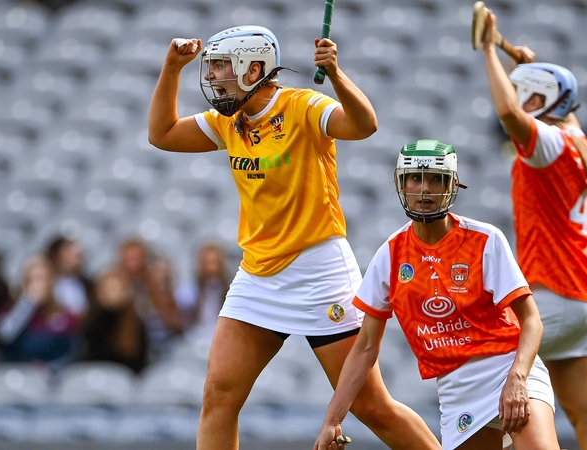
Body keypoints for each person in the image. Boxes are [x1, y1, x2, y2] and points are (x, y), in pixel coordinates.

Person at [148, 25, 440, 450]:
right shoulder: (229, 122)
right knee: (218, 396)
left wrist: (337, 74)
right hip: (258, 275)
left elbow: (364, 125)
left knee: (370, 407)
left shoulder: (303, 106)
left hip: (319, 270)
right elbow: (162, 134)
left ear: (253, 69)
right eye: (209, 69)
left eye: (221, 68)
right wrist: (172, 68)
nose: (211, 78)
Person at [313, 139, 559, 450]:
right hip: (458, 391)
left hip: (509, 369)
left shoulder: (486, 240)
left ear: (452, 185)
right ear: (402, 184)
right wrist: (332, 421)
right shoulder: (390, 255)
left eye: (436, 179)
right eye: (415, 178)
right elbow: (364, 348)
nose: (425, 189)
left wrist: (519, 378)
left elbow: (532, 320)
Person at [478, 10, 587, 450]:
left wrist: (487, 50)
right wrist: (526, 69)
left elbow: (507, 112)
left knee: (493, 390)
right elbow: (556, 100)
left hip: (552, 293)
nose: (521, 101)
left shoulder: (549, 145)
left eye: (529, 95)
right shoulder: (578, 140)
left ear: (542, 103)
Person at [0, 255, 81, 368]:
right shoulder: (10, 308)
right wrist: (28, 302)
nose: (39, 285)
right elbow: (5, 335)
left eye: (43, 279)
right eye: (34, 279)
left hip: (53, 372)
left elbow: (70, 350)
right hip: (17, 369)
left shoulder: (63, 312)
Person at [116, 237, 182, 360]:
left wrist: (159, 288)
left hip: (159, 344)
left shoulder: (155, 286)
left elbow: (174, 323)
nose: (134, 264)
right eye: (129, 259)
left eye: (137, 258)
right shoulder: (115, 287)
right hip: (126, 349)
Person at [80, 268, 148, 373]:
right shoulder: (90, 322)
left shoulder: (135, 323)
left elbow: (137, 359)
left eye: (115, 288)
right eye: (106, 289)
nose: (111, 294)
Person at [175, 242, 231, 337]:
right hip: (195, 336)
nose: (211, 268)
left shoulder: (230, 290)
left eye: (214, 262)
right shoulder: (189, 290)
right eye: (207, 263)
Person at [46, 235, 93, 319]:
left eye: (78, 254)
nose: (76, 258)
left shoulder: (88, 285)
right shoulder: (46, 282)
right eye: (68, 252)